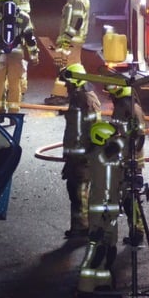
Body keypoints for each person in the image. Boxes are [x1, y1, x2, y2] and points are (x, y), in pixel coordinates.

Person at [77, 120, 125, 296]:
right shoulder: (99, 155)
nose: (115, 140)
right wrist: (125, 137)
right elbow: (115, 150)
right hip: (101, 210)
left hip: (110, 209)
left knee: (109, 247)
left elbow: (116, 178)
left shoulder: (109, 157)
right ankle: (85, 286)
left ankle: (103, 283)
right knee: (96, 247)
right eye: (112, 137)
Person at [60, 62, 102, 239]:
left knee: (80, 193)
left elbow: (95, 128)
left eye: (68, 83)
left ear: (76, 81)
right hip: (75, 156)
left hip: (83, 157)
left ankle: (84, 228)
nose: (66, 86)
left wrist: (89, 154)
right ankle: (79, 226)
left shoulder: (87, 100)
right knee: (75, 191)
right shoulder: (77, 98)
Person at [0, 0, 38, 115]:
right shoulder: (23, 16)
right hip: (16, 53)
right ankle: (14, 112)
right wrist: (34, 55)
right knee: (15, 83)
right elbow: (30, 38)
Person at [109, 85, 147, 245]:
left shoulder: (130, 107)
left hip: (130, 161)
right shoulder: (122, 106)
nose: (111, 98)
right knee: (126, 198)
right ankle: (135, 231)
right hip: (123, 158)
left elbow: (139, 136)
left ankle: (137, 232)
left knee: (130, 198)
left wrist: (131, 158)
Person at [46, 0, 90, 105]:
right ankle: (77, 93)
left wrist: (66, 38)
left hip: (72, 40)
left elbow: (77, 21)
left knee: (65, 66)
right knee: (72, 66)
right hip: (72, 39)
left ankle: (62, 95)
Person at [0, 0, 33, 96]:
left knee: (10, 65)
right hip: (15, 35)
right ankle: (18, 90)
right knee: (13, 64)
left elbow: (22, 17)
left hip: (12, 35)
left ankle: (14, 91)